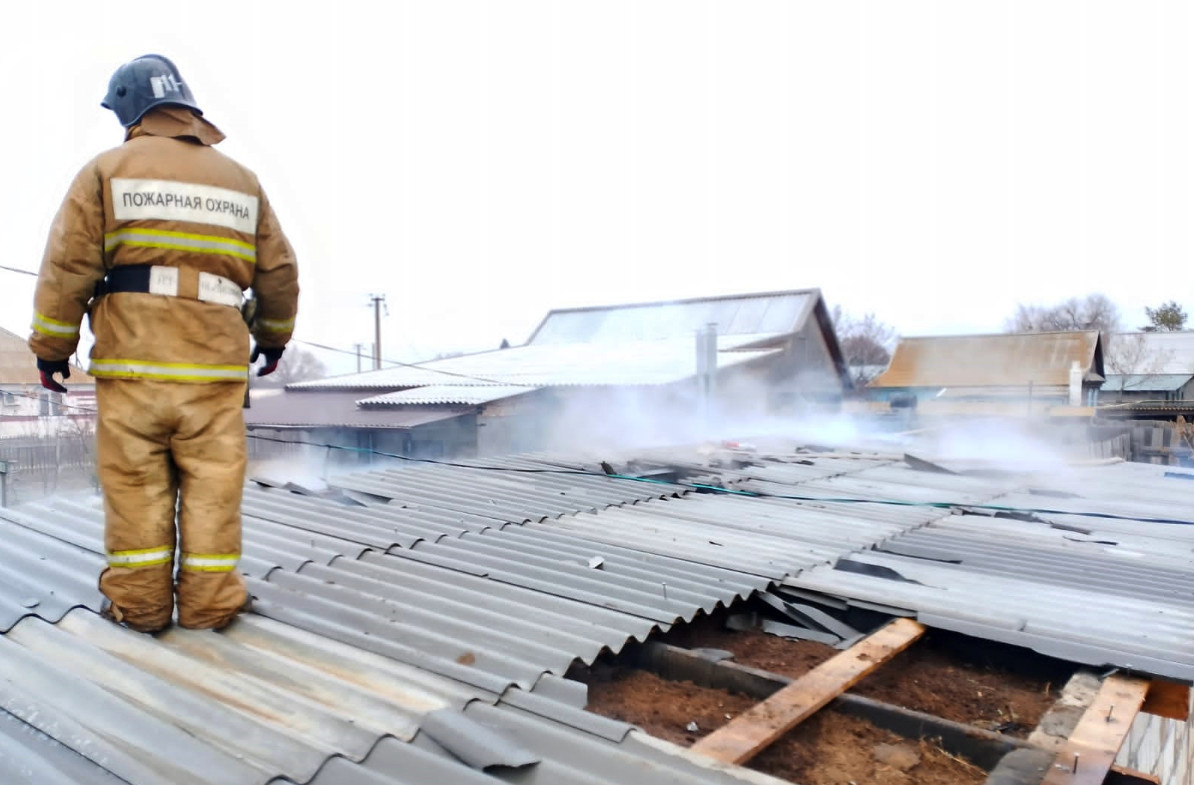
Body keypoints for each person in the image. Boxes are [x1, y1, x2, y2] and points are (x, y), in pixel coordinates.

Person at [28, 54, 299, 633]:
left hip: (134, 369)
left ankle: (141, 608)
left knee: (135, 487)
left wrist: (51, 348)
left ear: (129, 107)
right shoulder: (240, 180)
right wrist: (273, 338)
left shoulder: (106, 169)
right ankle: (210, 606)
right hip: (214, 371)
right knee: (213, 487)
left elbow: (67, 265)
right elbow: (278, 271)